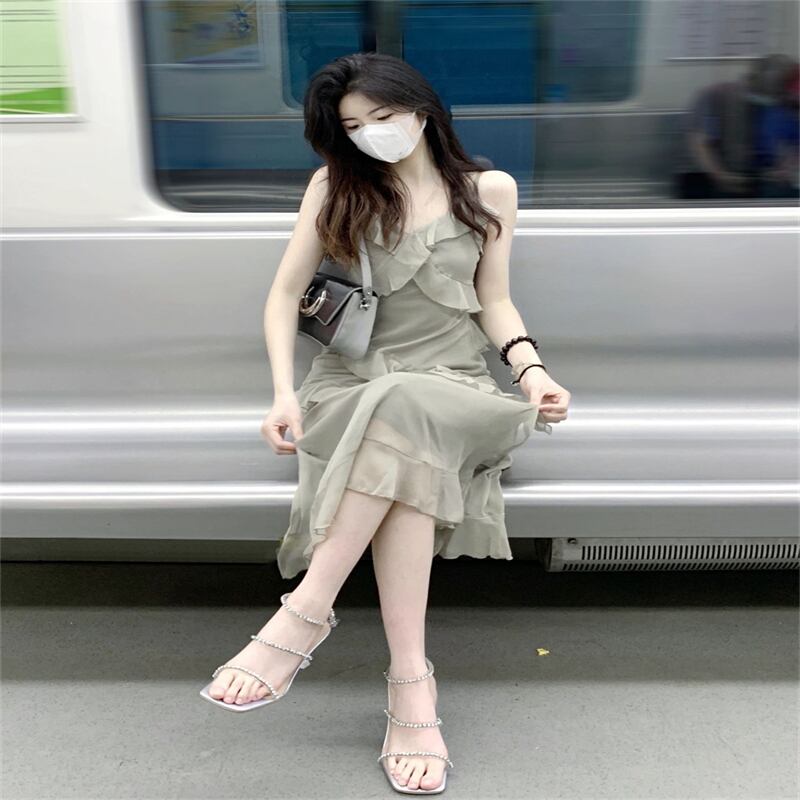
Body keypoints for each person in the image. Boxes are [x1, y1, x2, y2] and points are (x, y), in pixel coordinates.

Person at [200, 52, 571, 794]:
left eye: (383, 116)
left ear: (421, 110)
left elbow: (494, 299)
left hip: (454, 384)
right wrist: (282, 393)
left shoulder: (490, 191)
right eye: (353, 126)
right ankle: (410, 687)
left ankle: (304, 615)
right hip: (353, 385)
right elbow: (285, 295)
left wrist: (532, 371)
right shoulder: (336, 187)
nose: (371, 133)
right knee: (403, 446)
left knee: (409, 410)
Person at [682, 53, 799, 199]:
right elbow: (700, 144)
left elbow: (789, 145)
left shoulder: (778, 107)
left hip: (759, 182)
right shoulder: (714, 96)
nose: (779, 98)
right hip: (710, 180)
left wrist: (782, 169)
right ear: (754, 79)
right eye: (776, 92)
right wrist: (721, 176)